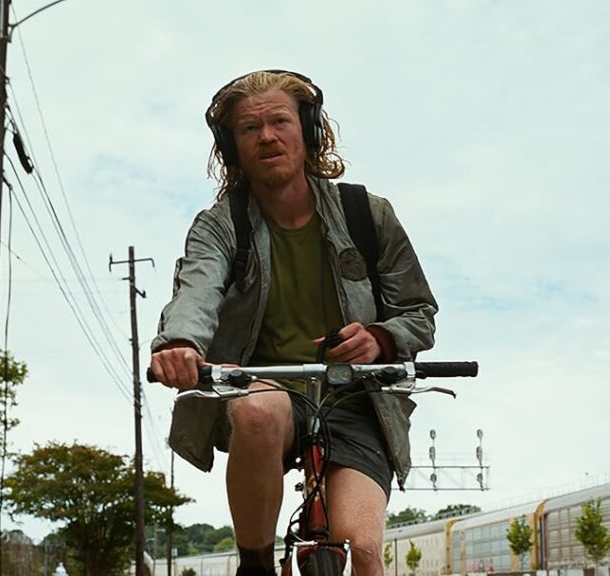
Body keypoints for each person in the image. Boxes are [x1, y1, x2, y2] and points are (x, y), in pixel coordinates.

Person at [149, 70, 438, 576]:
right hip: (266, 389)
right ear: (232, 147)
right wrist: (180, 344)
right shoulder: (221, 225)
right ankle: (255, 565)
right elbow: (197, 290)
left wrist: (381, 338)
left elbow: (419, 314)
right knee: (260, 412)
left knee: (364, 550)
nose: (267, 137)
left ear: (307, 129)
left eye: (280, 121)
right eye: (249, 128)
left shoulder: (367, 215)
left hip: (356, 399)